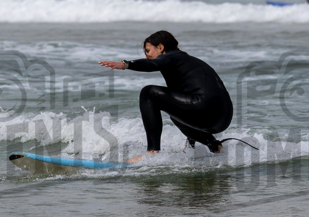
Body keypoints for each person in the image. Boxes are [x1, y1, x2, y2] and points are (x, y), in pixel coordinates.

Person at [99, 30, 233, 155]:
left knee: (148, 93)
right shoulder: (189, 62)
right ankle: (215, 146)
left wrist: (125, 64)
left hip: (204, 108)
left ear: (161, 48)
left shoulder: (172, 57)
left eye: (148, 51)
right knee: (176, 115)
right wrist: (191, 143)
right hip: (223, 118)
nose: (146, 57)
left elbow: (153, 64)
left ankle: (152, 152)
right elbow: (187, 103)